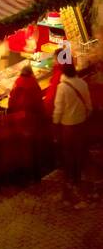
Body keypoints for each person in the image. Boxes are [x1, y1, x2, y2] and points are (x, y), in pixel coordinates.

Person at [53, 62, 92, 206]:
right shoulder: (82, 83)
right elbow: (89, 104)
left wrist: (55, 123)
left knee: (68, 152)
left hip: (68, 126)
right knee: (79, 150)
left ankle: (71, 178)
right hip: (80, 123)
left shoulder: (61, 87)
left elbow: (58, 108)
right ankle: (78, 176)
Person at [6, 64, 47, 182]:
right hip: (34, 120)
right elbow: (39, 101)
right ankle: (37, 175)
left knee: (25, 149)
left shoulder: (17, 83)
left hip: (21, 121)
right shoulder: (34, 83)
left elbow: (11, 101)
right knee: (34, 147)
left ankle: (27, 175)